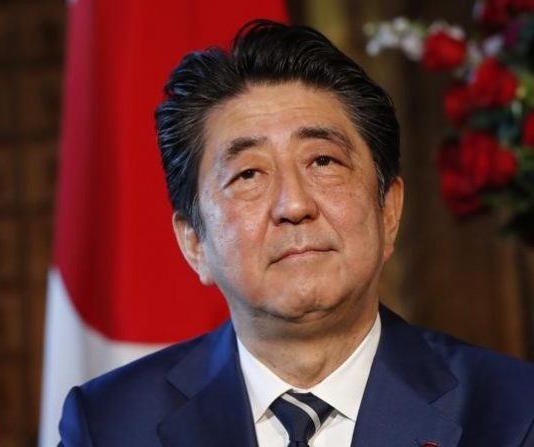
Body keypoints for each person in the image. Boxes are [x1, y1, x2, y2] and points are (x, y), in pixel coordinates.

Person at [57, 19, 534, 447]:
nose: (294, 206)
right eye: (248, 174)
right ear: (194, 242)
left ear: (388, 210)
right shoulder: (111, 425)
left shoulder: (513, 412)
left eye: (323, 161)